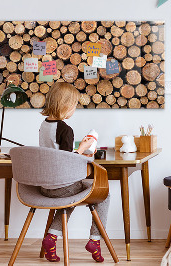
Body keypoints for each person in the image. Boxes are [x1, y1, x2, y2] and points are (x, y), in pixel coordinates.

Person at [39, 81, 109, 263]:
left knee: (70, 197)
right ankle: (95, 240)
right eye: (74, 105)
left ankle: (51, 238)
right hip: (62, 186)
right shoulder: (65, 129)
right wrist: (83, 149)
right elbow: (66, 161)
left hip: (45, 186)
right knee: (104, 194)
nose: (74, 109)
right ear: (66, 105)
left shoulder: (44, 125)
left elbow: (56, 153)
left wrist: (78, 149)